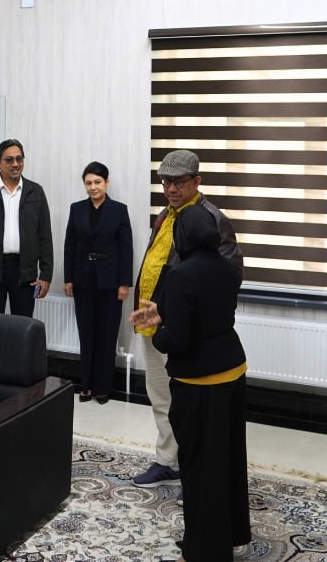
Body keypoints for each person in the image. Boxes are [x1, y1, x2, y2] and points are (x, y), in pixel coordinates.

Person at [130, 204, 250, 562]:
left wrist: (157, 333)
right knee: (228, 460)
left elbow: (176, 340)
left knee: (199, 468)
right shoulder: (227, 267)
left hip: (199, 381)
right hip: (232, 370)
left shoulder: (181, 275)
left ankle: (204, 550)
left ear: (182, 236)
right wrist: (164, 313)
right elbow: (207, 312)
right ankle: (233, 536)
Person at [130, 149, 241, 489]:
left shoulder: (211, 219)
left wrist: (179, 311)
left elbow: (227, 277)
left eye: (178, 182)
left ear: (197, 181)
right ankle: (169, 461)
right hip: (153, 319)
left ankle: (194, 472)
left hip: (184, 327)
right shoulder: (165, 214)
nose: (171, 189)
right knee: (160, 396)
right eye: (166, 182)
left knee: (188, 404)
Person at [63, 161, 132, 404]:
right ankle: (86, 385)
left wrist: (124, 283)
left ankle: (103, 387)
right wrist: (68, 278)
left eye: (97, 182)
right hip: (83, 279)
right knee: (87, 333)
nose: (93, 187)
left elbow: (126, 249)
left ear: (107, 182)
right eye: (88, 183)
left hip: (110, 282)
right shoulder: (76, 209)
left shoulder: (119, 210)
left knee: (107, 334)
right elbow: (70, 244)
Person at [0, 139, 54, 317]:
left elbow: (44, 236)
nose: (15, 164)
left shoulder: (36, 191)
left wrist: (46, 276)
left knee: (22, 325)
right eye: (9, 160)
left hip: (25, 273)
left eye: (19, 159)